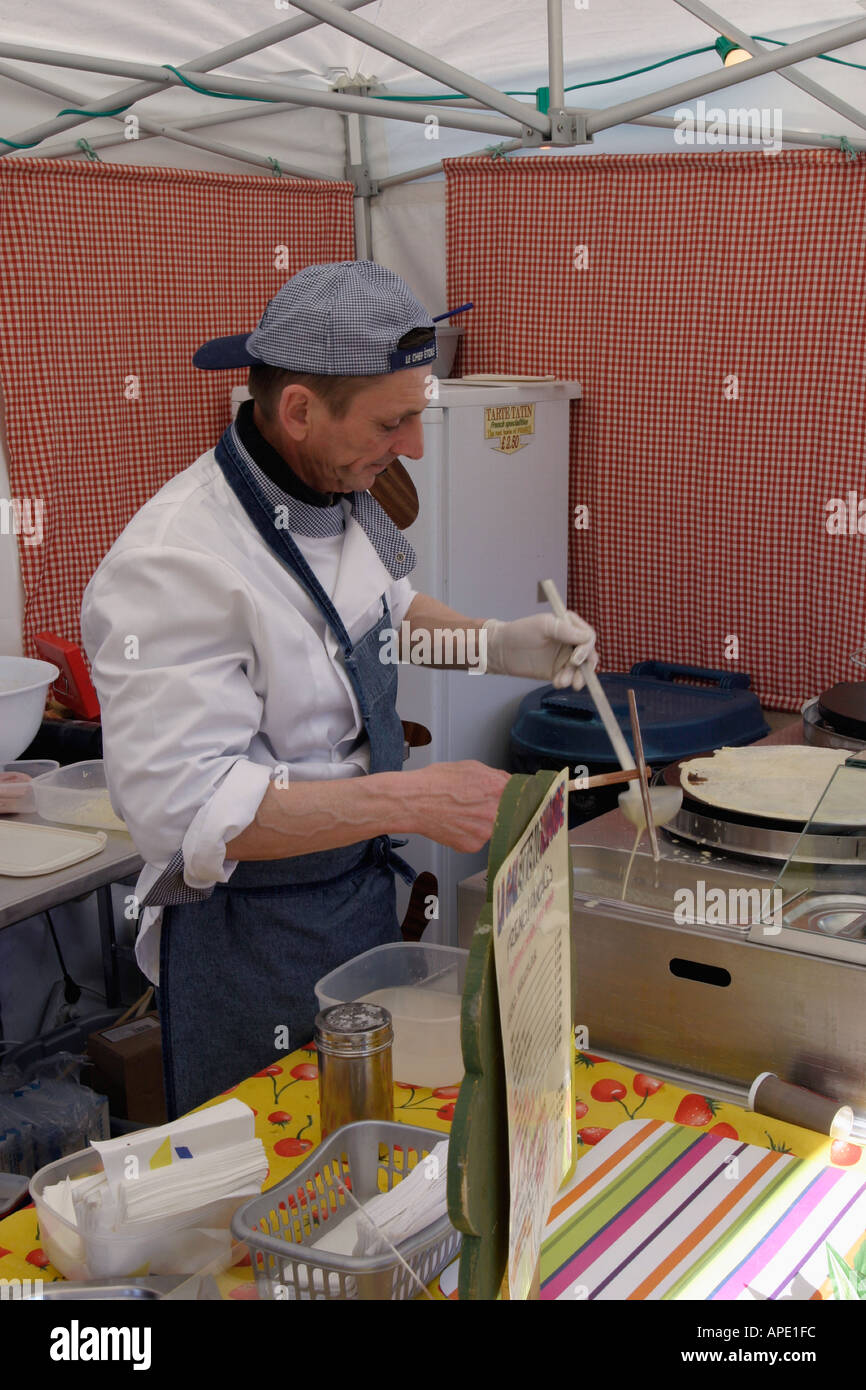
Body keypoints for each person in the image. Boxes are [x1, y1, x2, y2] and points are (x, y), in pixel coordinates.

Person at [81, 260, 597, 1118]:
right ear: (297, 411)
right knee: (274, 1181)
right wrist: (408, 799)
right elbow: (188, 812)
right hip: (253, 937)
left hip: (353, 903)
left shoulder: (333, 493)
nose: (417, 449)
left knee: (366, 1150)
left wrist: (503, 646)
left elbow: (382, 616)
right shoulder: (174, 565)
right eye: (395, 422)